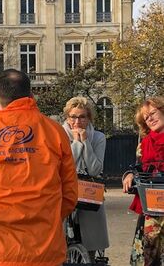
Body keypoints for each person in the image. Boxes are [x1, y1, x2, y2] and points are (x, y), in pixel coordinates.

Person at [0, 68, 78, 266]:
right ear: (31, 95)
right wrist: (47, 216)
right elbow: (70, 194)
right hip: (44, 250)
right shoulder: (54, 131)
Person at [62, 96, 109, 260]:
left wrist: (86, 143)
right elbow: (65, 166)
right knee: (60, 240)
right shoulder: (59, 135)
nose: (77, 121)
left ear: (89, 118)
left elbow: (95, 169)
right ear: (67, 117)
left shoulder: (98, 137)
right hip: (65, 189)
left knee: (91, 240)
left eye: (82, 116)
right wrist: (75, 143)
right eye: (73, 116)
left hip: (89, 190)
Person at [122, 96, 164, 266]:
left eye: (153, 113)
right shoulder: (145, 144)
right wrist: (130, 174)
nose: (150, 119)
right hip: (152, 208)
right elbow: (140, 167)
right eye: (146, 118)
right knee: (148, 258)